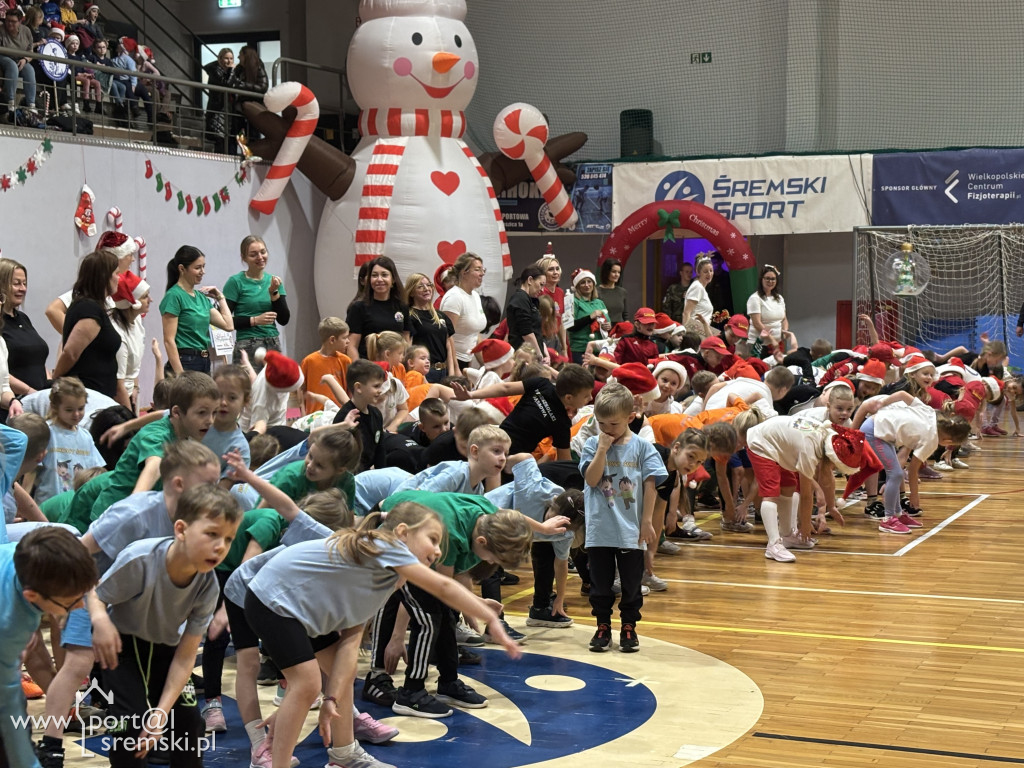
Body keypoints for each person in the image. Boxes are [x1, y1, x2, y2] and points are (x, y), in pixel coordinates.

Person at [36, 441, 222, 768]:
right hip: (96, 589)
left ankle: (160, 733)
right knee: (78, 665)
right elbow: (79, 554)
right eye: (209, 484)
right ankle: (51, 746)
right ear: (179, 484)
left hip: (151, 613)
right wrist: (71, 606)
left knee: (183, 717)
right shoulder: (134, 513)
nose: (215, 491)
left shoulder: (202, 530)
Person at [92, 486, 241, 766]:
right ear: (181, 530)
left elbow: (185, 655)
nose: (220, 546)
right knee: (131, 727)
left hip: (166, 649)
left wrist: (160, 713)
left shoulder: (208, 586)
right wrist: (100, 621)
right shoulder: (140, 559)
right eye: (212, 534)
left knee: (188, 724)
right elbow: (95, 595)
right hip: (121, 648)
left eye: (228, 539)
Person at [61, 371, 221, 532]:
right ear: (177, 412)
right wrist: (133, 505)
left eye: (214, 412)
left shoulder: (179, 423)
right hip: (113, 511)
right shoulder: (156, 435)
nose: (210, 421)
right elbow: (154, 465)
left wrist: (127, 426)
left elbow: (161, 413)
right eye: (202, 413)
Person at [580, 383, 667, 653]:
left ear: (631, 417)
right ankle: (603, 626)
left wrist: (647, 522)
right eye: (601, 423)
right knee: (601, 585)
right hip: (600, 528)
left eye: (613, 424)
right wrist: (602, 450)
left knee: (631, 584)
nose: (606, 430)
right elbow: (592, 479)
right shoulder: (593, 445)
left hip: (631, 528)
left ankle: (629, 626)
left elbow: (651, 486)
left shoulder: (643, 447)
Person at [0, 528, 96, 768]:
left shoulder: (30, 562)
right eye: (69, 602)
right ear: (32, 596)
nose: (79, 607)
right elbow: (8, 702)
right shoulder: (9, 623)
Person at [854, 391, 971, 534]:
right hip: (874, 432)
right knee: (896, 474)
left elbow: (902, 394)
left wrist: (883, 403)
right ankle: (888, 519)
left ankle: (897, 513)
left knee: (896, 473)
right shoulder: (931, 440)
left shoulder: (930, 413)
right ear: (947, 442)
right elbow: (914, 469)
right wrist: (914, 496)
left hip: (880, 429)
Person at [52, 251, 121, 400]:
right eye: (116, 273)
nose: (119, 278)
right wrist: (55, 379)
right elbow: (71, 352)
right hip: (87, 394)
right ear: (104, 277)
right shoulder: (88, 308)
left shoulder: (95, 307)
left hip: (99, 393)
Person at [160, 245, 234, 375]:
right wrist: (180, 375)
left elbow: (228, 325)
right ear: (182, 269)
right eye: (197, 267)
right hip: (186, 361)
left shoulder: (201, 297)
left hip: (204, 360)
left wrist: (220, 297)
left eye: (203, 267)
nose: (202, 271)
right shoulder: (174, 296)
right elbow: (169, 341)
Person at [34, 376, 104, 504]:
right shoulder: (47, 431)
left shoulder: (86, 436)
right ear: (55, 407)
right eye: (69, 410)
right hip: (48, 505)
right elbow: (31, 471)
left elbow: (96, 471)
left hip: (76, 505)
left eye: (81, 408)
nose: (76, 414)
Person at [224, 235, 290, 368]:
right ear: (244, 258)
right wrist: (254, 320)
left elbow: (284, 319)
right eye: (253, 254)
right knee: (248, 388)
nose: (260, 257)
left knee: (275, 387)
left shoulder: (274, 281)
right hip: (248, 344)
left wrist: (274, 293)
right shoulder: (235, 282)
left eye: (263, 252)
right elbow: (225, 321)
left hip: (272, 342)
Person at [345, 256, 411, 360]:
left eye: (384, 275)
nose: (379, 279)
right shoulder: (358, 307)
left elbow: (406, 339)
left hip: (395, 369)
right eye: (374, 275)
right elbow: (351, 345)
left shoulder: (402, 306)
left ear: (393, 279)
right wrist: (359, 370)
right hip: (368, 369)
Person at [0, 259, 48, 397]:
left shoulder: (23, 318)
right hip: (13, 402)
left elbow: (36, 357)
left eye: (24, 283)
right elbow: (2, 374)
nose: (23, 288)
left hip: (39, 396)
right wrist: (30, 392)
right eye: (16, 284)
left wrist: (50, 383)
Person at [330, 359, 387, 472]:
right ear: (358, 388)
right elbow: (339, 458)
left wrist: (382, 475)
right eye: (376, 386)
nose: (380, 391)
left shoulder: (376, 414)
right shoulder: (344, 418)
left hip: (368, 475)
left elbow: (380, 451)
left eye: (381, 386)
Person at [109, 270, 150, 412]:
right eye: (145, 297)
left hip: (130, 392)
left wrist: (135, 386)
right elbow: (118, 384)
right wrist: (128, 418)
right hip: (117, 398)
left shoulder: (136, 321)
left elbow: (135, 366)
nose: (150, 300)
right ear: (133, 303)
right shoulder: (118, 335)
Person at [440, 253, 488, 371]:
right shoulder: (454, 297)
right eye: (477, 270)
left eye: (483, 270)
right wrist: (455, 368)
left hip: (466, 361)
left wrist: (485, 365)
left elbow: (474, 333)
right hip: (451, 362)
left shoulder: (475, 296)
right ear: (464, 272)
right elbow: (446, 336)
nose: (482, 273)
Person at [406, 272, 456, 382]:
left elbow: (448, 346)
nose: (426, 289)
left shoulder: (440, 316)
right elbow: (408, 349)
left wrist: (452, 373)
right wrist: (420, 376)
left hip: (444, 371)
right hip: (425, 373)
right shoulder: (409, 316)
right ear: (411, 292)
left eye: (428, 285)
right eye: (420, 286)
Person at [300, 317, 352, 414]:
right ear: (332, 340)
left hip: (339, 414)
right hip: (315, 416)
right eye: (345, 338)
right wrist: (302, 415)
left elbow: (350, 392)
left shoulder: (345, 360)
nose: (348, 341)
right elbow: (301, 391)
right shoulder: (308, 361)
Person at [0, 8, 38, 124]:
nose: (9, 23)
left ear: (20, 22)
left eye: (13, 21)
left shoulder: (26, 31)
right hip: (4, 57)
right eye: (7, 21)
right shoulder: (1, 30)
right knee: (12, 66)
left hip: (21, 58)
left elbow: (30, 52)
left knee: (29, 70)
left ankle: (31, 104)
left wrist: (25, 59)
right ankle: (10, 102)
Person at [567, 268, 610, 365]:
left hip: (600, 349)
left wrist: (607, 327)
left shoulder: (600, 302)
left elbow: (607, 322)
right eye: (582, 282)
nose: (587, 285)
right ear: (577, 286)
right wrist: (589, 318)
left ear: (593, 284)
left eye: (589, 281)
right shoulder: (570, 301)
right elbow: (569, 326)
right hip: (580, 349)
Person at [505, 265, 547, 362]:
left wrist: (543, 353)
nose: (542, 290)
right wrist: (539, 354)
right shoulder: (520, 299)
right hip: (525, 357)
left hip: (531, 355)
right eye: (541, 284)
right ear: (530, 280)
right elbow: (526, 333)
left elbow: (536, 332)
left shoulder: (529, 300)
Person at [747, 265, 788, 357]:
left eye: (773, 279)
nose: (770, 281)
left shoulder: (780, 298)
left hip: (777, 343)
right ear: (762, 279)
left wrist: (785, 332)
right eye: (767, 278)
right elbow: (757, 323)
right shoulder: (755, 298)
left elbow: (784, 319)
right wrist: (771, 339)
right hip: (759, 344)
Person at [228, 44, 267, 135]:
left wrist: (243, 85)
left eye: (240, 54)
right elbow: (231, 84)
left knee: (253, 135)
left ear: (246, 56)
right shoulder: (238, 69)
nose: (238, 57)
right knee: (233, 135)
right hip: (239, 107)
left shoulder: (258, 68)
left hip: (253, 107)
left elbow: (263, 87)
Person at [537, 248, 568, 356]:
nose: (555, 272)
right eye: (550, 269)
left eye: (557, 269)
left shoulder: (560, 292)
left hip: (555, 339)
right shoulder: (539, 292)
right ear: (543, 273)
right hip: (541, 339)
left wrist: (564, 347)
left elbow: (560, 321)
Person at [203, 47, 234, 152]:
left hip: (228, 111)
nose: (229, 61)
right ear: (220, 59)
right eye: (226, 58)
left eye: (231, 58)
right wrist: (231, 70)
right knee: (219, 141)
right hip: (217, 111)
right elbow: (226, 84)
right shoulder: (214, 71)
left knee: (228, 141)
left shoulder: (230, 72)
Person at [681, 253, 716, 338]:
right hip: (695, 334)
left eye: (711, 270)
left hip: (702, 331)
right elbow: (686, 313)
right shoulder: (697, 287)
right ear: (698, 272)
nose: (709, 274)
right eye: (705, 271)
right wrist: (687, 336)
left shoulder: (702, 289)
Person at [598, 257, 628, 324]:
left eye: (619, 272)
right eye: (614, 272)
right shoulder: (596, 292)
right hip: (603, 329)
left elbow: (625, 316)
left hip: (619, 330)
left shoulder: (622, 292)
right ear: (606, 272)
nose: (617, 275)